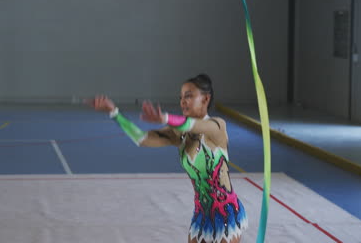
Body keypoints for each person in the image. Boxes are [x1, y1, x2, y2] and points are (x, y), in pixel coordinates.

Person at [89, 74, 247, 243]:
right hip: (201, 213)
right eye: (181, 97)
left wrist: (165, 118)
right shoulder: (179, 134)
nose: (183, 101)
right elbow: (141, 139)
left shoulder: (217, 126)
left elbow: (194, 125)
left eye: (189, 96)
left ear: (206, 98)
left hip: (225, 213)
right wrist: (114, 112)